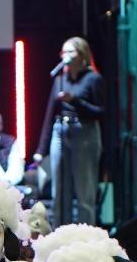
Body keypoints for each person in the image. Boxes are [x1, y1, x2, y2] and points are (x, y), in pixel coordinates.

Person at [34, 38, 106, 227]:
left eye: (70, 52)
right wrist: (41, 149)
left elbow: (101, 112)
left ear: (82, 55)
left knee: (84, 191)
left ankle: (86, 236)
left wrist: (75, 100)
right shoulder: (60, 79)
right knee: (59, 191)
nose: (65, 56)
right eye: (63, 52)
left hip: (84, 132)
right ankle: (60, 233)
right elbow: (50, 113)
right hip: (60, 131)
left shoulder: (93, 79)